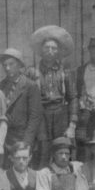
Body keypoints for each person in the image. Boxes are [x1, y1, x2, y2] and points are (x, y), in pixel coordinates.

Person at [30, 26, 78, 167]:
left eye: (54, 48)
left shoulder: (66, 72)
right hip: (41, 115)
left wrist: (72, 125)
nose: (50, 51)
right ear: (41, 50)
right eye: (47, 48)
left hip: (60, 114)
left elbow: (73, 98)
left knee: (62, 149)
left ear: (58, 52)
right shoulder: (33, 72)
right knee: (43, 151)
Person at [0, 48, 42, 154]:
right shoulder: (1, 86)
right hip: (5, 139)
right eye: (5, 65)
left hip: (22, 138)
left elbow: (34, 117)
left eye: (11, 64)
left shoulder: (30, 86)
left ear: (19, 65)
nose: (7, 68)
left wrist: (26, 142)